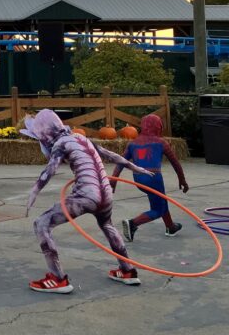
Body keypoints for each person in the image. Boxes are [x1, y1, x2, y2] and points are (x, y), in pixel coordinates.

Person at [21, 109, 153, 294]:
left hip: (86, 194)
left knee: (41, 224)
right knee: (107, 224)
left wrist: (33, 193)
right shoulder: (82, 138)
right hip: (105, 193)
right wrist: (135, 168)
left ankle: (57, 279)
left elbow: (50, 170)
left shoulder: (60, 143)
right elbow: (112, 155)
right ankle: (127, 271)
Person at [112, 114, 189, 241]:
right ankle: (133, 223)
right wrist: (182, 180)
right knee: (158, 209)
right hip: (154, 177)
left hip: (138, 178)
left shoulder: (133, 143)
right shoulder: (161, 142)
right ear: (158, 127)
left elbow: (120, 162)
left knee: (161, 200)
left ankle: (170, 227)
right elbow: (175, 163)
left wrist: (113, 181)